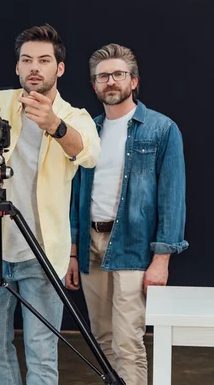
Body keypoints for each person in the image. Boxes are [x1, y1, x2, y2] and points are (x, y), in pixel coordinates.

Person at [0, 24, 100, 384]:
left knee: (41, 353)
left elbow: (89, 155)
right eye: (27, 60)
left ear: (59, 68)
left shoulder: (74, 115)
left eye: (44, 60)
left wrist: (55, 125)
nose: (35, 67)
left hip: (42, 252)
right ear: (18, 68)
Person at [66, 43, 188, 385]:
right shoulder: (87, 130)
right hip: (90, 244)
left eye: (118, 74)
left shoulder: (161, 130)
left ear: (133, 81)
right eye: (103, 76)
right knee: (100, 339)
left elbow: (172, 198)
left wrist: (161, 258)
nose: (111, 81)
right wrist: (73, 252)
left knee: (129, 342)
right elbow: (75, 194)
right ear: (94, 85)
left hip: (133, 247)